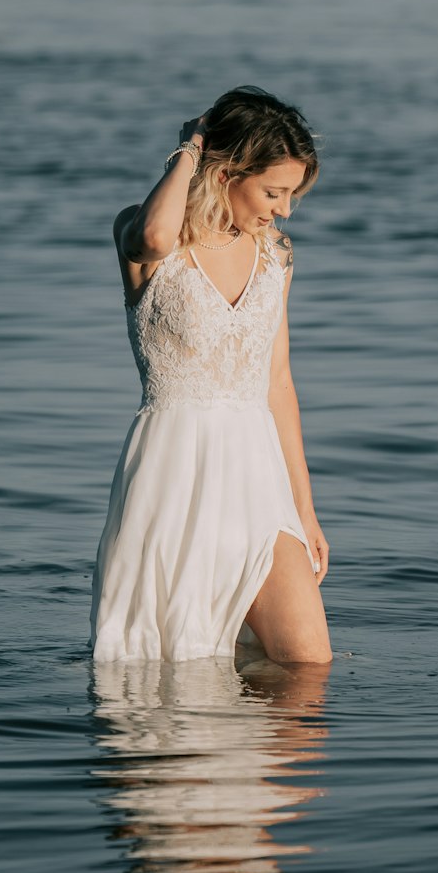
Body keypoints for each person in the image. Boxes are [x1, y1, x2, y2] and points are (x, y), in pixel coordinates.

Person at [89, 86, 332, 664]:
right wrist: (189, 150)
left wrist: (305, 509)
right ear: (226, 172)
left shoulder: (277, 255)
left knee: (308, 666)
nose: (284, 209)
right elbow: (152, 237)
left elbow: (278, 382)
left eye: (293, 195)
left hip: (259, 480)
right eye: (274, 192)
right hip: (172, 479)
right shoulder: (147, 235)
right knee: (169, 676)